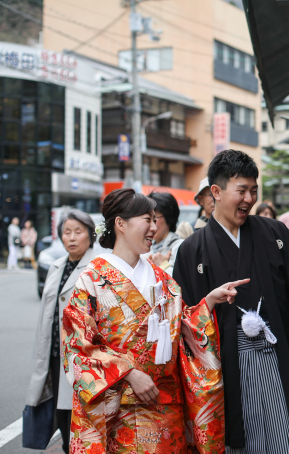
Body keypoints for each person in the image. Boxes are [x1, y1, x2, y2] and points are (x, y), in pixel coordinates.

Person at [173, 150, 289, 454]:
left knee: (288, 432)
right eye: (241, 191)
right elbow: (181, 317)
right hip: (226, 364)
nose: (249, 199)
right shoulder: (191, 250)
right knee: (238, 434)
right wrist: (208, 302)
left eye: (254, 190)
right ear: (217, 192)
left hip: (279, 354)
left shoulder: (274, 232)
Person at [61, 188, 245, 454]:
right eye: (147, 219)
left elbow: (181, 327)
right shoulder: (91, 280)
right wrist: (129, 373)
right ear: (120, 224)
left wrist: (209, 302)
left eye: (154, 219)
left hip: (167, 408)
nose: (154, 226)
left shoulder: (162, 279)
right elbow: (78, 348)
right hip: (118, 413)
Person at [25, 210, 98, 454]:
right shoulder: (56, 266)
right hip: (56, 356)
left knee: (81, 421)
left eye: (79, 231)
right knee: (61, 414)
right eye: (67, 232)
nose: (72, 238)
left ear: (90, 234)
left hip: (83, 359)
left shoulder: (98, 267)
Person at [147, 191, 184, 276]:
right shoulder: (146, 247)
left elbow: (184, 283)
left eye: (155, 219)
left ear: (169, 217)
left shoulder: (180, 247)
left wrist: (164, 265)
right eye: (148, 219)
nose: (151, 225)